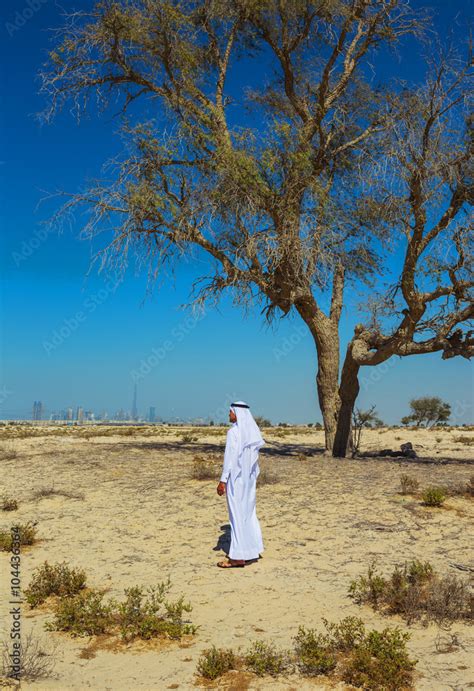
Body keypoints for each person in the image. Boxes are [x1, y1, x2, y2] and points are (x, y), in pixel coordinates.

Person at [216, 401, 265, 568]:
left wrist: (223, 480)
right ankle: (251, 551)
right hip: (249, 483)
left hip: (236, 482)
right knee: (248, 515)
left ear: (237, 413)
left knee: (236, 517)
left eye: (230, 412)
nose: (229, 415)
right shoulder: (252, 433)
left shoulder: (233, 433)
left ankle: (237, 557)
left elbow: (229, 459)